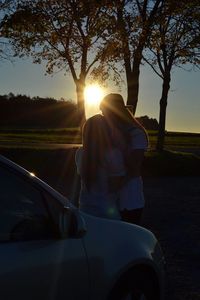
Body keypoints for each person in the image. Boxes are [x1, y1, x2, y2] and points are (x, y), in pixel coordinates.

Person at [99, 93, 149, 225]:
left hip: (130, 199)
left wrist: (115, 188)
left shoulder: (136, 133)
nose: (104, 116)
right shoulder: (109, 132)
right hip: (111, 198)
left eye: (105, 112)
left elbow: (135, 168)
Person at [75, 114, 126, 219]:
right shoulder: (113, 154)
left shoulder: (80, 153)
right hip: (107, 210)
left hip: (85, 208)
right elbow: (115, 186)